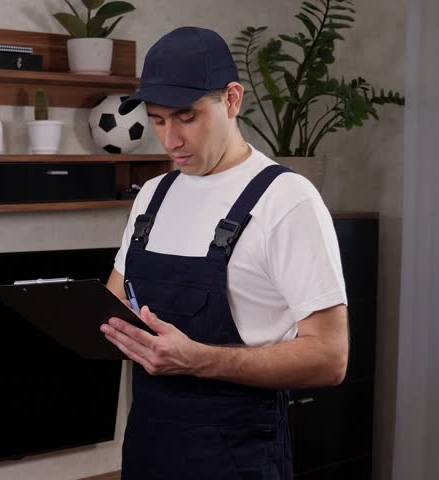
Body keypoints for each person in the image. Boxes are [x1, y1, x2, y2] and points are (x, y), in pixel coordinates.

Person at [99, 26, 350, 479]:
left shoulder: (286, 199)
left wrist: (199, 359)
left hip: (237, 458)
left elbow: (331, 358)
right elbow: (116, 304)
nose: (170, 139)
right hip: (148, 449)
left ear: (232, 100)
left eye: (186, 117)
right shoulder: (152, 195)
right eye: (157, 120)